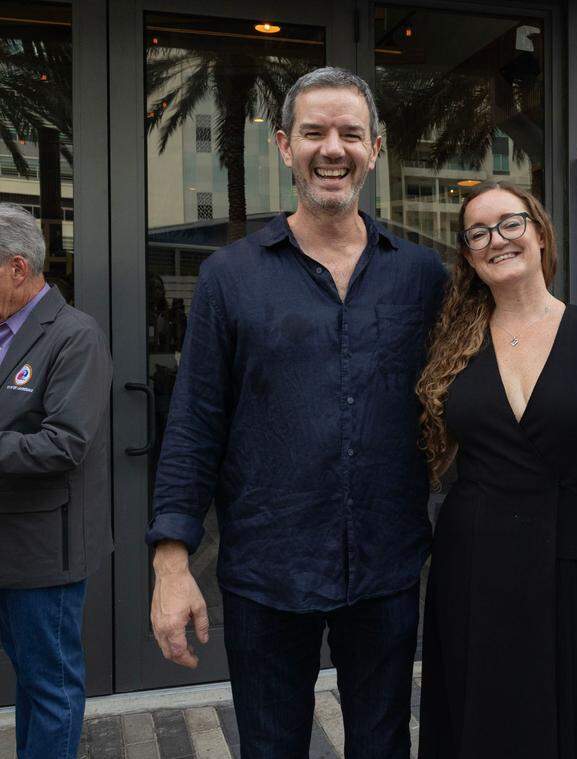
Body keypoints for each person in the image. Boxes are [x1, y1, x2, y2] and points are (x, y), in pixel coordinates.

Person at [145, 67, 448, 759]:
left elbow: (460, 404)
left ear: (375, 148)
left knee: (382, 746)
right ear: (285, 146)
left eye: (349, 133)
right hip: (266, 572)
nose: (331, 148)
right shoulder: (231, 276)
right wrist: (170, 563)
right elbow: (193, 423)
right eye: (314, 132)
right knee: (271, 747)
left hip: (386, 567)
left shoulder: (420, 276)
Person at [415, 181, 577, 758]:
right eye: (478, 233)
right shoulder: (449, 341)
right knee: (478, 717)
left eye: (510, 224)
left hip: (572, 554)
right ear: (468, 255)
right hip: (473, 559)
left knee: (574, 719)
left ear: (540, 232)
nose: (497, 240)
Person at [0, 203, 113, 759]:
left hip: (47, 552)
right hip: (9, 545)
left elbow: (66, 441)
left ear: (17, 269)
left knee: (51, 687)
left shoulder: (75, 336)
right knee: (30, 679)